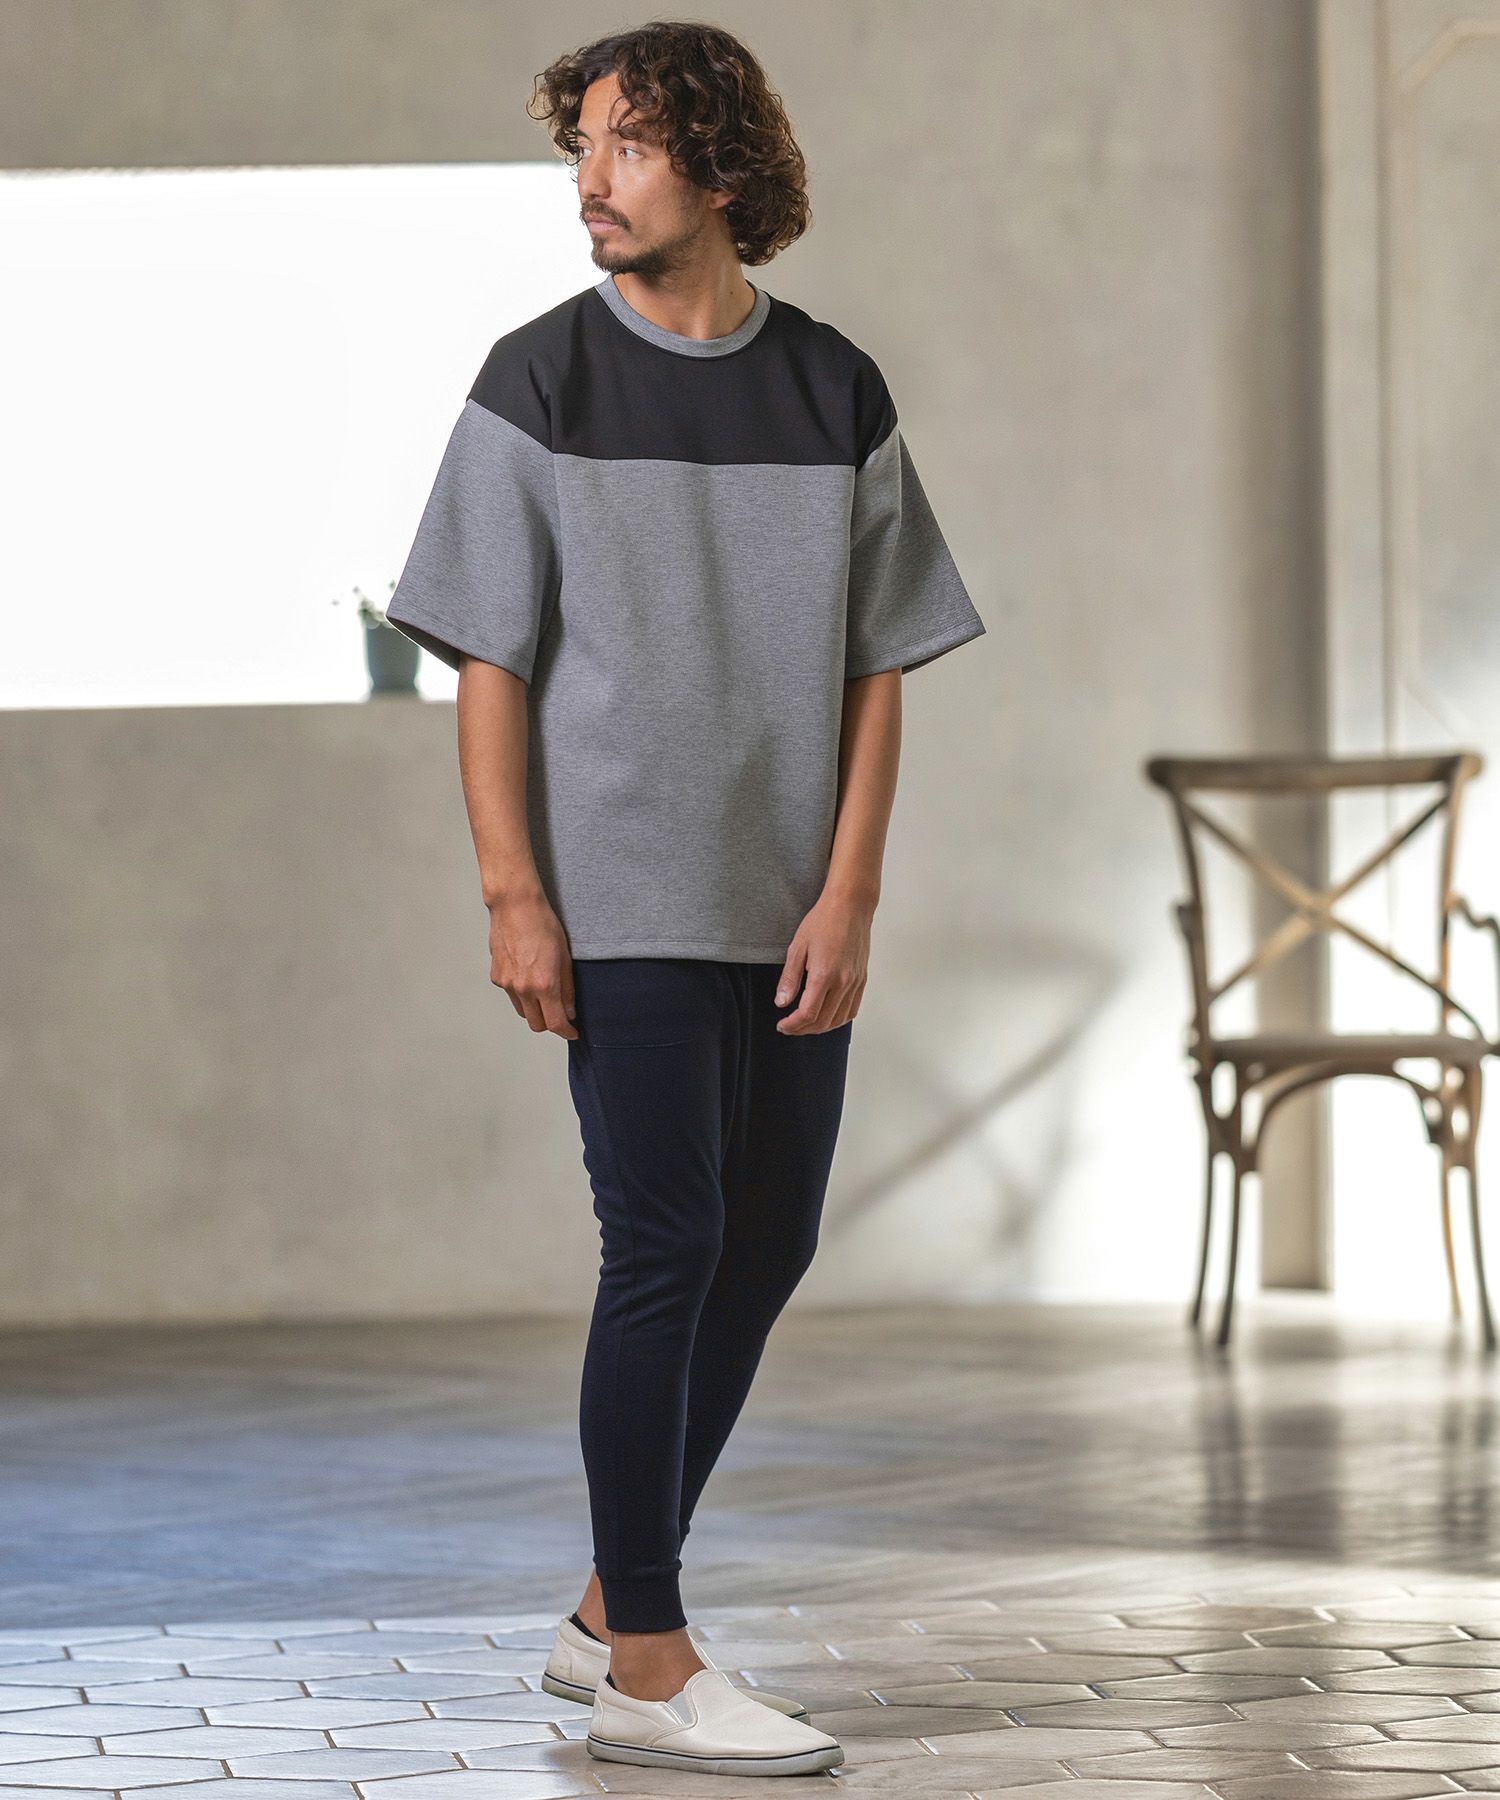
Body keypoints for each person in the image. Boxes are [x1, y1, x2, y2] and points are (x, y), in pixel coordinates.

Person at [385, 18, 986, 1779]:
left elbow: (881, 664)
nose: (592, 180)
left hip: (788, 906)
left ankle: (603, 1614)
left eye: (629, 144)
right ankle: (650, 1664)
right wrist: (514, 892)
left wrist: (851, 892)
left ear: (721, 165)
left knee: (764, 1242)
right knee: (662, 1247)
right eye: (580, 145)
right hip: (624, 901)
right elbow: (486, 659)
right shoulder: (539, 381)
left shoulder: (834, 390)